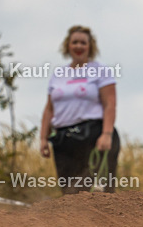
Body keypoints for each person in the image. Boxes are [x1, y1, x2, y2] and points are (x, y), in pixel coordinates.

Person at [40, 25, 120, 194]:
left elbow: (110, 104)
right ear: (67, 46)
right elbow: (49, 109)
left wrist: (106, 134)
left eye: (83, 43)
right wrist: (43, 138)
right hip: (64, 140)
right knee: (70, 195)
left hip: (93, 136)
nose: (78, 46)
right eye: (74, 42)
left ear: (90, 46)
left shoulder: (100, 71)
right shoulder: (58, 74)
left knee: (95, 191)